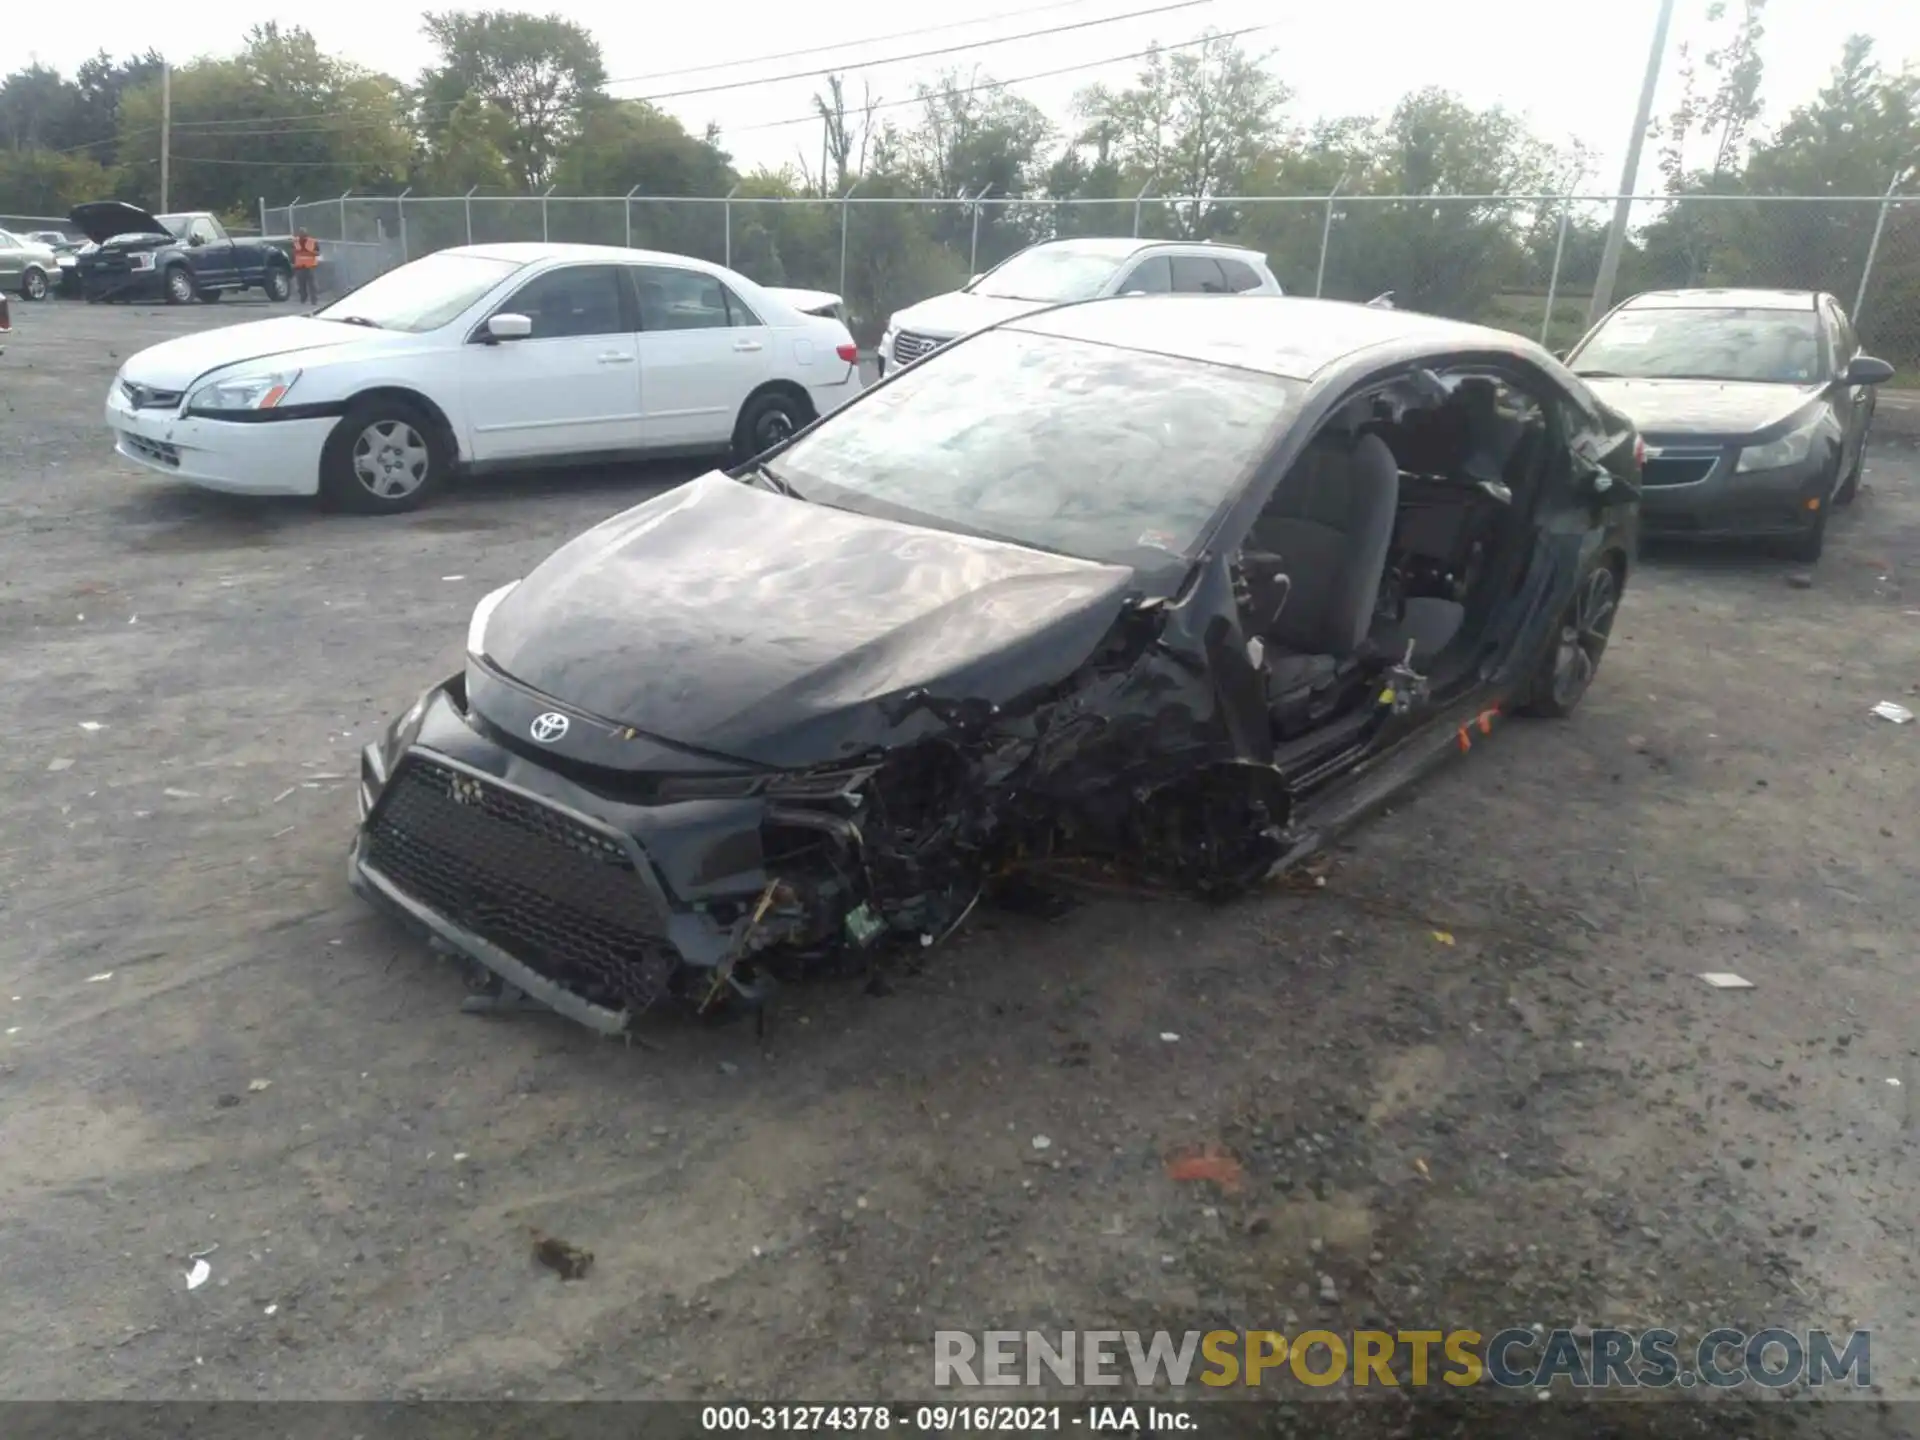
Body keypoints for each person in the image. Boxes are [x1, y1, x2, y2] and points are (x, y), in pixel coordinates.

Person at [292, 229, 320, 304]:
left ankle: (314, 300)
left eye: (303, 235)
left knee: (312, 285)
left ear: (307, 235)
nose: (302, 236)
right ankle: (303, 298)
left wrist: (310, 252)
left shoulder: (313, 242)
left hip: (310, 266)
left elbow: (318, 253)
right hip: (300, 267)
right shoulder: (296, 242)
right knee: (301, 285)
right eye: (300, 234)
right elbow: (293, 252)